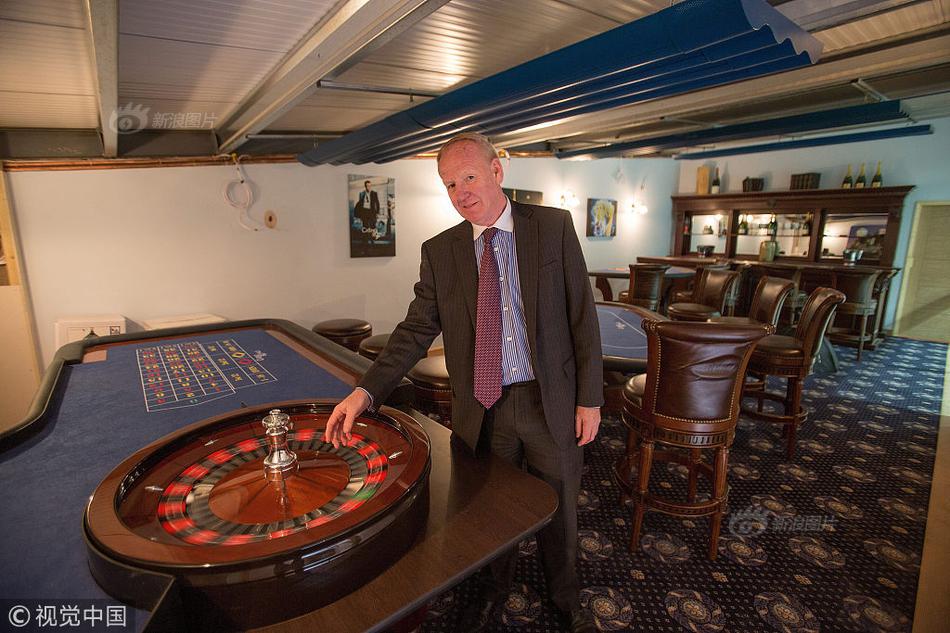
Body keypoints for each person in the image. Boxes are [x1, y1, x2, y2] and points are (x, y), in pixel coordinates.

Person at [325, 132, 602, 633]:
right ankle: (491, 592)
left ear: (498, 172)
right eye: (450, 184)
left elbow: (582, 316)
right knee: (491, 514)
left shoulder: (553, 228)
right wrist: (365, 391)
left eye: (468, 178)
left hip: (550, 402)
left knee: (559, 513)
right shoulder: (441, 251)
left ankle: (566, 600)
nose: (460, 193)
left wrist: (591, 399)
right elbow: (413, 331)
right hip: (484, 407)